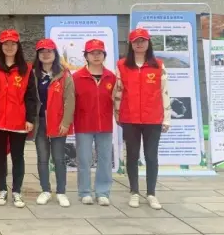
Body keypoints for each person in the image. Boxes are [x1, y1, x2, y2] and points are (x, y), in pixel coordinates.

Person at [114, 28, 171, 210]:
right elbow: (118, 92)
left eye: (143, 40)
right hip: (130, 118)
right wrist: (117, 115)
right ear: (130, 44)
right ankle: (134, 192)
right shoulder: (122, 65)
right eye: (136, 41)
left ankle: (151, 193)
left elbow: (164, 92)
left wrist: (166, 118)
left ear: (148, 43)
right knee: (132, 155)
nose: (139, 44)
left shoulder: (158, 65)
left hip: (153, 119)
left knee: (151, 156)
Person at [0, 29, 38, 209]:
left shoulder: (27, 69)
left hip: (19, 120)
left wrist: (30, 118)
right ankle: (2, 189)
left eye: (13, 44)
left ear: (18, 46)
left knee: (18, 156)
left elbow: (31, 97)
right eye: (6, 44)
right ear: (0, 46)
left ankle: (17, 190)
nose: (9, 47)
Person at [73, 39, 117, 206]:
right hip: (83, 124)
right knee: (84, 160)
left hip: (105, 125)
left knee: (105, 159)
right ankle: (85, 192)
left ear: (104, 55)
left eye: (99, 53)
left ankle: (102, 192)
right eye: (92, 53)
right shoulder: (77, 77)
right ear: (86, 56)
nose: (96, 56)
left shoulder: (111, 77)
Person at [33, 38, 75, 207]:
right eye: (42, 52)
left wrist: (66, 122)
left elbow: (70, 100)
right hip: (40, 123)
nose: (46, 54)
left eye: (49, 51)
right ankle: (45, 190)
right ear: (38, 55)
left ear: (55, 54)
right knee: (42, 158)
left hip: (58, 122)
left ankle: (61, 192)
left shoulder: (64, 74)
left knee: (59, 158)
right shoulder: (33, 74)